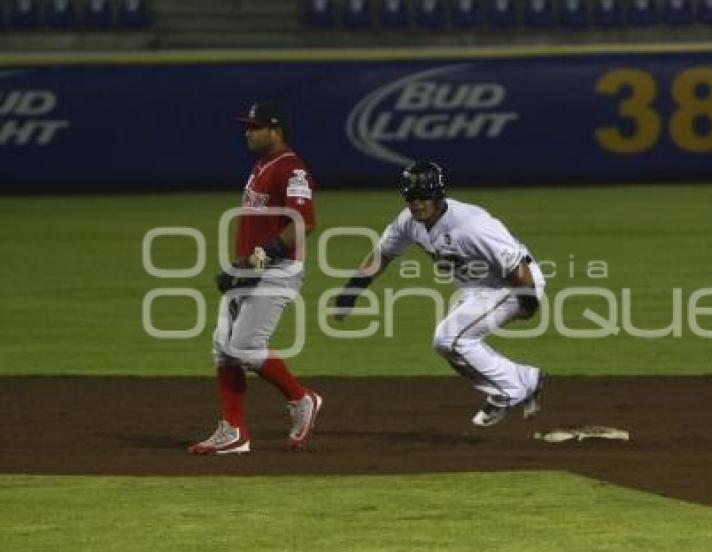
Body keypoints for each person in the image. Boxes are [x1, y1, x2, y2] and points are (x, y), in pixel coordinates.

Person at [334, 160, 546, 427]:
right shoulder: (408, 222)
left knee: (450, 338)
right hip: (478, 289)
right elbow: (382, 255)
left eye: (423, 197)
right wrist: (351, 291)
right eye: (411, 198)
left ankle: (513, 388)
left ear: (438, 195)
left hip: (513, 284)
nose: (416, 204)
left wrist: (528, 305)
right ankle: (519, 381)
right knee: (446, 343)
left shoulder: (473, 225)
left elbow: (518, 268)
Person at [189, 101, 321, 454]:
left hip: (278, 269)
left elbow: (304, 222)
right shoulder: (261, 165)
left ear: (275, 130)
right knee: (223, 347)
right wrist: (240, 265)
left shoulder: (291, 170)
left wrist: (263, 255)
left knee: (245, 345)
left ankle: (301, 399)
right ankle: (234, 431)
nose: (247, 132)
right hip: (252, 269)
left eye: (255, 126)